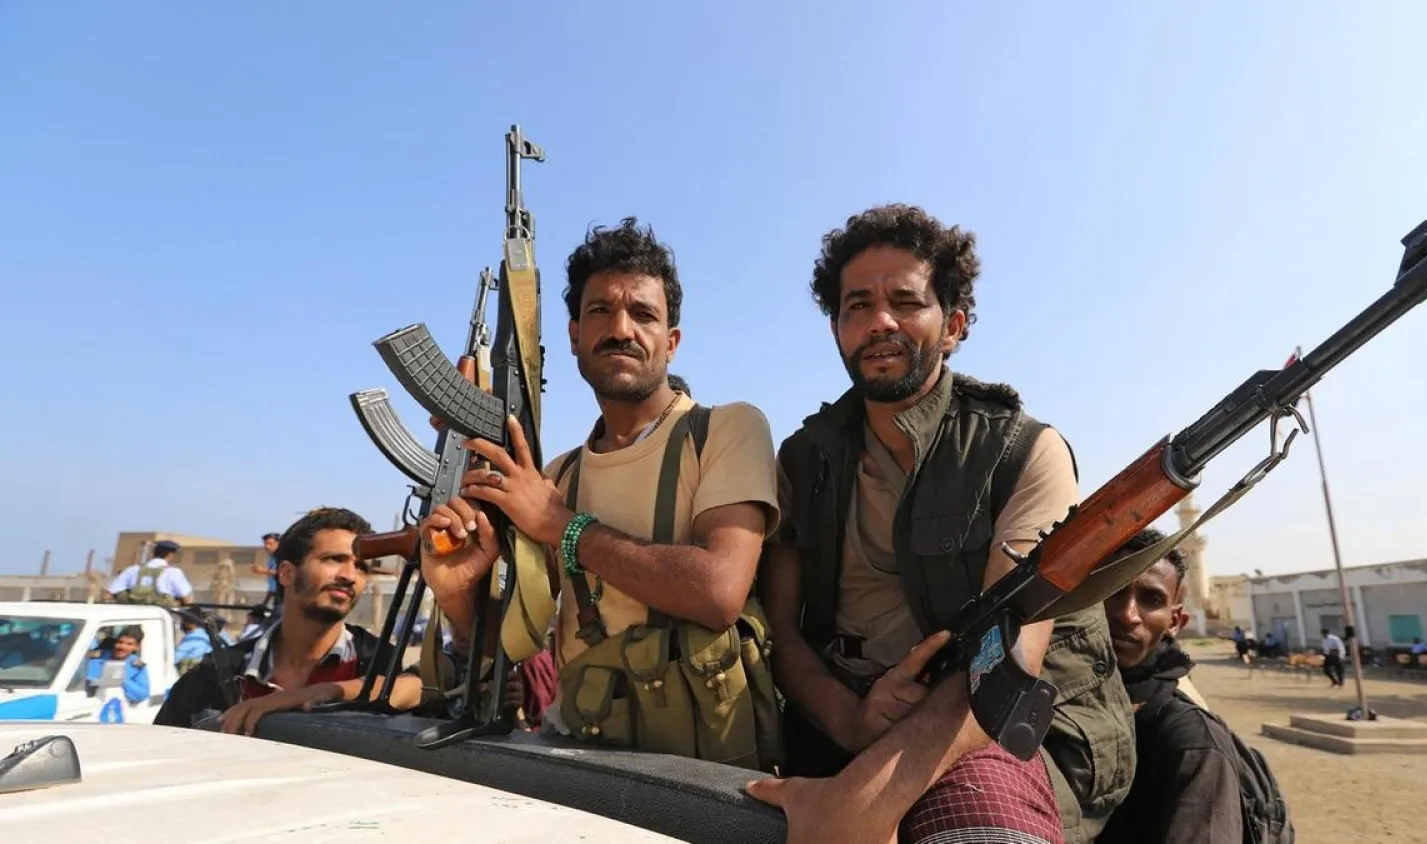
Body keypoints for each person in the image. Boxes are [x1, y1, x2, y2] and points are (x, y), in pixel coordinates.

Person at [751, 204, 1133, 844]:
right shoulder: (803, 458)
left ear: (953, 325)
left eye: (905, 301)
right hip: (839, 716)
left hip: (988, 723)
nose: (880, 322)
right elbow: (782, 634)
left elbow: (1008, 657)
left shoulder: (1023, 453)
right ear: (837, 329)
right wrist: (853, 723)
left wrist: (866, 796)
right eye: (857, 306)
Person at [417, 217, 782, 769]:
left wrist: (562, 526)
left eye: (643, 314)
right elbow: (514, 645)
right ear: (573, 337)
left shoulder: (725, 431)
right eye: (599, 312)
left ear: (672, 341)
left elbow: (718, 591)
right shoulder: (558, 477)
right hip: (581, 753)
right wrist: (457, 597)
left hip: (702, 766)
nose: (620, 329)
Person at [154, 507, 424, 733]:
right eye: (334, 559)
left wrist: (311, 695)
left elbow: (420, 690)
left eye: (361, 567)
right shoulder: (217, 673)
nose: (349, 575)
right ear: (285, 573)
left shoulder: (379, 662)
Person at [1097, 528, 1246, 844]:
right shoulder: (1058, 703)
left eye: (1151, 599)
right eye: (1114, 590)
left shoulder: (1193, 742)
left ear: (1175, 622)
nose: (1127, 615)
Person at [106, 540, 193, 607]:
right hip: (160, 620)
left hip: (130, 619)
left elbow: (108, 595)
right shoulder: (173, 573)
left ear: (154, 552)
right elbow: (187, 600)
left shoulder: (132, 570)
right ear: (170, 554)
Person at [250, 532, 282, 611]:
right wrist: (264, 603)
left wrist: (264, 571)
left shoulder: (282, 557)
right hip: (276, 597)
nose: (266, 546)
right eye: (265, 544)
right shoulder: (271, 558)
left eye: (270, 544)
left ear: (278, 544)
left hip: (283, 596)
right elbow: (272, 587)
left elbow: (282, 573)